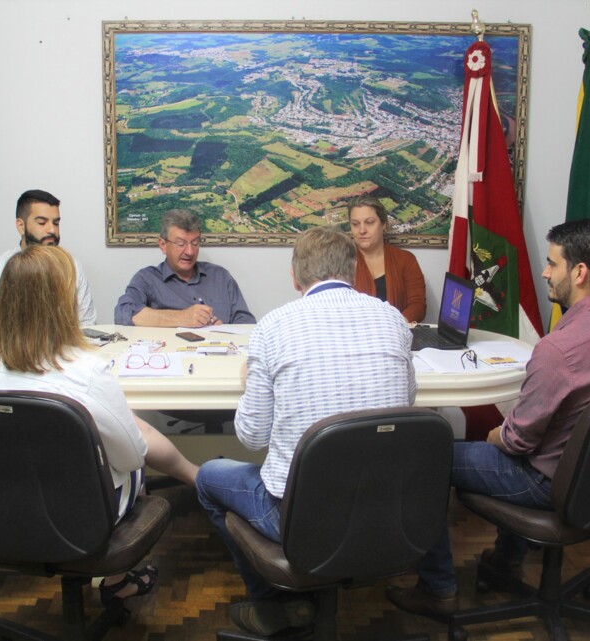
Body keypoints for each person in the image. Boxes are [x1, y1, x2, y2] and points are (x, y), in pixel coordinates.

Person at [387, 219, 590, 621]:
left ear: (580, 272)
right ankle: (504, 562)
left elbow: (517, 442)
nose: (545, 272)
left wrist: (498, 433)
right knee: (533, 445)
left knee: (422, 455)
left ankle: (437, 587)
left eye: (553, 264)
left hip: (553, 483)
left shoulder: (559, 350)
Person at [195, 226, 416, 637]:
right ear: (353, 271)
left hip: (298, 518)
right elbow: (407, 401)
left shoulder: (273, 327)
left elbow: (252, 438)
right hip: (383, 507)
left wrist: (253, 383)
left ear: (295, 277)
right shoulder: (393, 319)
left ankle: (270, 603)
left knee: (208, 476)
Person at [0, 245, 199, 605]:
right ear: (61, 301)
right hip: (76, 518)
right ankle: (116, 579)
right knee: (131, 460)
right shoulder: (85, 368)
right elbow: (132, 455)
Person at [0, 189, 96, 334]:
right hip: (14, 356)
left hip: (68, 355)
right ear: (21, 226)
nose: (52, 230)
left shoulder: (73, 268)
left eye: (56, 223)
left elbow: (87, 328)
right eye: (42, 223)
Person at [114, 209, 255, 327]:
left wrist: (223, 331)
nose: (190, 252)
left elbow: (247, 324)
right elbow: (123, 314)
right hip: (169, 357)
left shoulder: (220, 277)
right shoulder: (147, 279)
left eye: (195, 243)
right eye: (181, 244)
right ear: (163, 245)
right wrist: (181, 318)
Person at [347, 195, 427, 322]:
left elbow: (418, 306)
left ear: (383, 224)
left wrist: (394, 326)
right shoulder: (341, 262)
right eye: (355, 224)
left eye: (369, 222)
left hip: (396, 335)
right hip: (357, 337)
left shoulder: (405, 260)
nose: (362, 230)